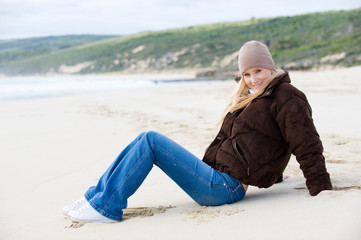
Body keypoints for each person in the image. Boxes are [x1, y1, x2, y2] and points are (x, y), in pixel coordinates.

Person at [63, 40, 332, 223]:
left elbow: (305, 142)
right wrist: (274, 175)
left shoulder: (287, 96)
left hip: (225, 188)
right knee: (142, 139)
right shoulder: (252, 97)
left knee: (150, 141)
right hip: (218, 177)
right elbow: (260, 143)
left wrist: (320, 186)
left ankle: (106, 207)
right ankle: (94, 197)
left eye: (258, 71)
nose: (253, 79)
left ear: (270, 68)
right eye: (247, 74)